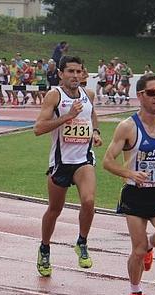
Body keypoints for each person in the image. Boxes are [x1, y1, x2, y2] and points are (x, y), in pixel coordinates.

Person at [102, 73, 155, 295]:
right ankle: (136, 292)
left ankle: (149, 245)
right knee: (136, 251)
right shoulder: (128, 127)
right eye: (152, 93)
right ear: (140, 96)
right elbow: (107, 161)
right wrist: (129, 173)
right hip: (135, 195)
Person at [33, 55, 102, 277]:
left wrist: (97, 132)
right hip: (61, 162)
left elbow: (92, 114)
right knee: (55, 210)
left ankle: (82, 242)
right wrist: (68, 116)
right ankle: (45, 247)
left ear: (83, 73)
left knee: (89, 201)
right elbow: (38, 128)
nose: (75, 75)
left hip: (83, 160)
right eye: (70, 71)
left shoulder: (88, 95)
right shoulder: (54, 96)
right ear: (61, 74)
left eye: (78, 71)